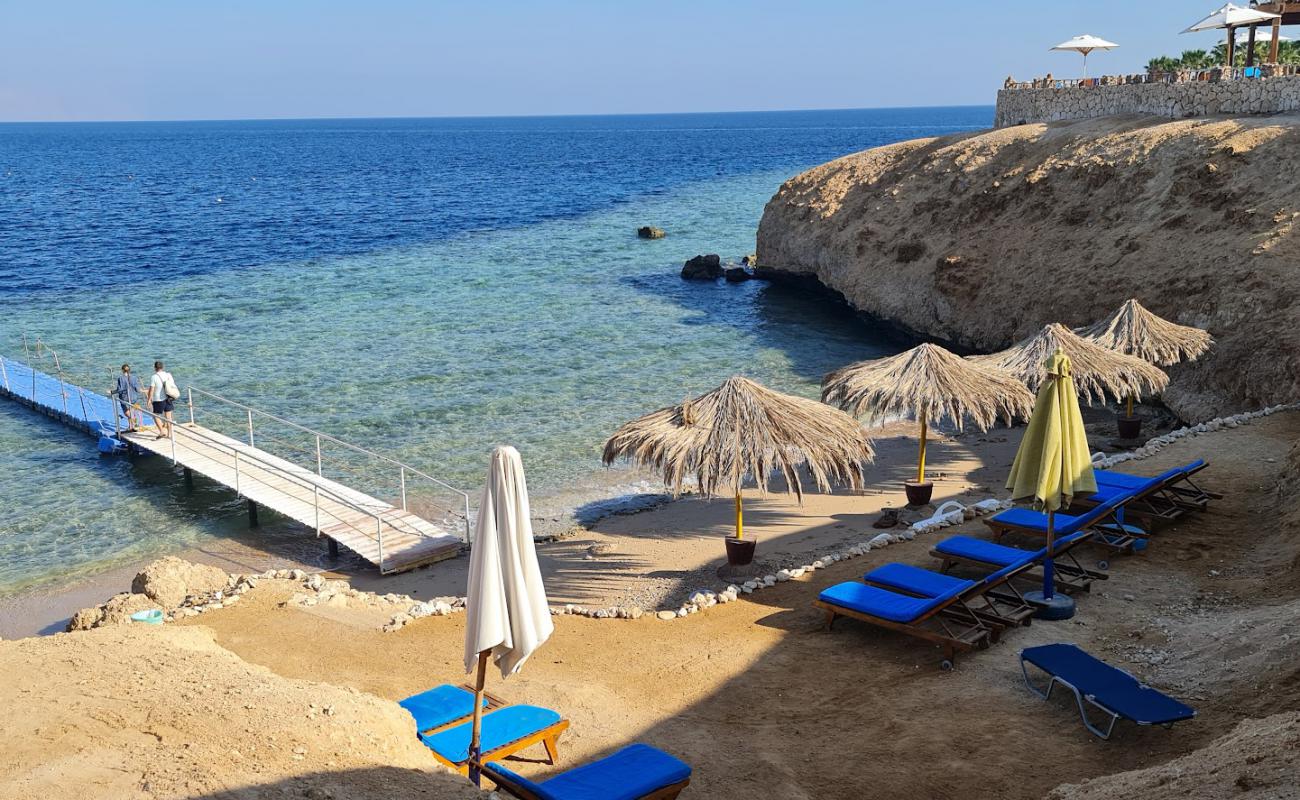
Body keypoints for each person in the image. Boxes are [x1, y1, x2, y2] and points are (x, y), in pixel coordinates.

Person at [147, 360, 178, 439]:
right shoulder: (168, 375)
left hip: (158, 399)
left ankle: (162, 431)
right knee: (169, 417)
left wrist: (149, 400)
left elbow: (152, 390)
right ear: (162, 367)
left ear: (155, 368)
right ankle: (170, 434)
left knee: (155, 415)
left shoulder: (154, 377)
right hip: (168, 398)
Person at [110, 363, 142, 432]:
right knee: (131, 411)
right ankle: (131, 426)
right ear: (129, 370)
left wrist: (112, 392)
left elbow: (120, 390)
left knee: (127, 413)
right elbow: (137, 389)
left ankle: (133, 423)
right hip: (133, 398)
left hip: (124, 398)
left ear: (122, 370)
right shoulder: (134, 377)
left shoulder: (120, 378)